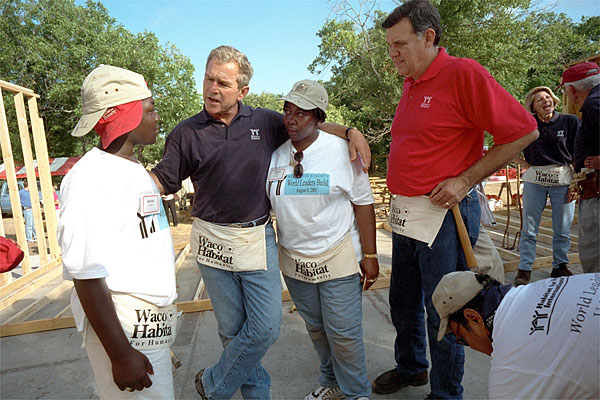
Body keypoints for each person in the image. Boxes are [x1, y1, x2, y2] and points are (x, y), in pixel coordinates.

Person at [150, 46, 371, 400]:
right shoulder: (186, 133)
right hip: (210, 239)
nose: (212, 88)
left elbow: (309, 123)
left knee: (265, 327)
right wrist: (121, 179)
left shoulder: (265, 122)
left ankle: (213, 384)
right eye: (209, 78)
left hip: (256, 237)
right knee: (231, 329)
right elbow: (163, 179)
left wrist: (350, 131)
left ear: (243, 91)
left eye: (223, 82)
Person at [372, 2, 538, 398]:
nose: (392, 53)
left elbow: (523, 131)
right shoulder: (411, 82)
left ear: (428, 37)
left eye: (399, 44)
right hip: (406, 215)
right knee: (403, 301)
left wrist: (465, 180)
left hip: (446, 217)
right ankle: (412, 367)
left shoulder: (463, 73)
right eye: (389, 45)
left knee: (443, 308)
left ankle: (446, 393)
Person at [58, 64, 178, 399]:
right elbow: (85, 273)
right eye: (150, 109)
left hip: (148, 325)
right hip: (125, 327)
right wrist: (121, 353)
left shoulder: (132, 167)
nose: (157, 118)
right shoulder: (89, 179)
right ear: (124, 115)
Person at [267, 80, 378, 400]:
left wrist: (370, 254)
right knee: (316, 329)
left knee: (343, 333)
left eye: (301, 113)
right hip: (294, 259)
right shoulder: (276, 155)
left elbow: (363, 202)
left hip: (337, 255)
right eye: (287, 110)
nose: (290, 118)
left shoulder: (343, 152)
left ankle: (357, 392)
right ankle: (331, 382)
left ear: (318, 118)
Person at [433, 271, 600, 399]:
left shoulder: (509, 375)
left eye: (461, 337)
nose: (467, 344)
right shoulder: (542, 287)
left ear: (473, 318)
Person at [512, 86, 580, 285]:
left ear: (554, 100)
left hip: (562, 181)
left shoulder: (569, 121)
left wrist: (575, 184)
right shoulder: (527, 125)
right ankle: (524, 268)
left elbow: (579, 152)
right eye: (539, 99)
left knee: (562, 228)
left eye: (548, 97)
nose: (545, 101)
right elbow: (506, 144)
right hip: (535, 182)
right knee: (529, 229)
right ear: (532, 106)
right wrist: (523, 164)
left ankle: (560, 266)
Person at [563, 62, 600, 273]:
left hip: (597, 192)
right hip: (592, 190)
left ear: (573, 90)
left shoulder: (594, 104)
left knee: (595, 255)